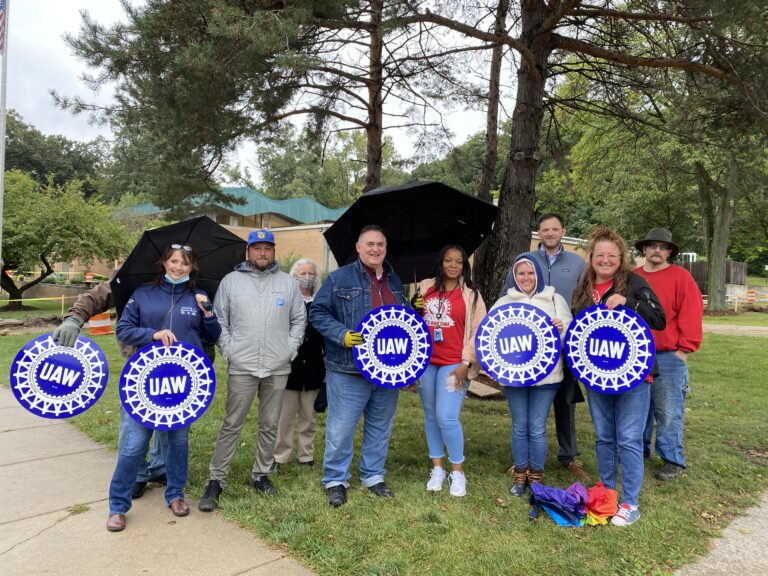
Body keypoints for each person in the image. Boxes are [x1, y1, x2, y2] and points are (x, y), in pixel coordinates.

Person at [107, 244, 221, 532]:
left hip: (183, 382)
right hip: (145, 380)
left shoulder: (199, 296)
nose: (178, 267)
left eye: (185, 263)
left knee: (178, 442)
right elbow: (123, 329)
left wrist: (207, 314)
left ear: (191, 267)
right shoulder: (143, 294)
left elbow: (213, 335)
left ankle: (175, 494)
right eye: (174, 261)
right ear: (164, 263)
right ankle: (118, 506)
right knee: (134, 444)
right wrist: (152, 334)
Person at [198, 229, 306, 511]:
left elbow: (299, 321)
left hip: (277, 366)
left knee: (270, 424)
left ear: (273, 251)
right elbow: (220, 320)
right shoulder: (231, 282)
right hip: (242, 365)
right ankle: (216, 480)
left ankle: (261, 475)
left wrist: (289, 350)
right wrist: (230, 350)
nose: (262, 253)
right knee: (232, 423)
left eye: (267, 248)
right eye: (256, 248)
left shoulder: (287, 283)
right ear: (248, 251)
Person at [571, 226, 665, 526]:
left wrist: (630, 302)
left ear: (620, 257)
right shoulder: (584, 286)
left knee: (628, 438)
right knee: (604, 437)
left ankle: (631, 503)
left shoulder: (635, 283)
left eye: (611, 255)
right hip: (597, 376)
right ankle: (608, 492)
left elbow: (658, 318)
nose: (605, 260)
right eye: (600, 255)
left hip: (634, 377)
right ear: (592, 257)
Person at [309, 225, 406, 508]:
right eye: (370, 244)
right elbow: (317, 312)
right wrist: (342, 335)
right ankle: (336, 480)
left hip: (389, 370)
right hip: (348, 368)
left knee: (380, 425)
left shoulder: (396, 280)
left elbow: (399, 320)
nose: (376, 249)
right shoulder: (339, 278)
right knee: (341, 427)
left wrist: (415, 310)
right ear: (359, 247)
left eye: (381, 244)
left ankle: (373, 476)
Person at [53, 279, 168, 499]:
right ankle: (136, 474)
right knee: (133, 422)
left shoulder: (190, 278)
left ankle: (161, 467)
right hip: (139, 361)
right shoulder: (133, 272)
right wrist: (75, 318)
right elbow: (97, 295)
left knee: (168, 418)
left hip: (176, 364)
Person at [501, 213, 588, 482]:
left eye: (554, 229)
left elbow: (584, 296)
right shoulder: (525, 260)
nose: (549, 233)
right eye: (544, 229)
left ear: (563, 231)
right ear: (539, 233)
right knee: (525, 419)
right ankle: (522, 463)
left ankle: (568, 455)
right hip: (523, 353)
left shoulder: (577, 262)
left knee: (565, 402)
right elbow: (506, 303)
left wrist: (566, 330)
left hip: (560, 347)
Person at [495, 254, 572, 497]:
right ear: (514, 276)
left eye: (530, 273)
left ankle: (536, 474)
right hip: (514, 377)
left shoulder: (554, 298)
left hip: (546, 377)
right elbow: (491, 337)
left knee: (537, 426)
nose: (526, 278)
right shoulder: (504, 302)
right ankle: (520, 475)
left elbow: (570, 336)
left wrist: (560, 329)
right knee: (520, 426)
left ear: (538, 274)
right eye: (521, 273)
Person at [415, 245, 487, 497]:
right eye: (448, 260)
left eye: (459, 261)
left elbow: (480, 332)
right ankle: (437, 469)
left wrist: (465, 364)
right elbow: (411, 322)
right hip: (426, 362)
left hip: (454, 364)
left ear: (464, 266)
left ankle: (458, 472)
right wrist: (414, 306)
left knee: (446, 416)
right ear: (441, 262)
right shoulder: (424, 287)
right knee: (431, 416)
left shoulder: (472, 295)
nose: (453, 265)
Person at [635, 228, 703, 481]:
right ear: (644, 249)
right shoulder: (633, 277)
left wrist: (684, 349)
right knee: (638, 407)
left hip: (668, 355)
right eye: (652, 245)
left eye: (662, 247)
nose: (657, 250)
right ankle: (638, 450)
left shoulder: (680, 277)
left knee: (668, 410)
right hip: (638, 354)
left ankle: (672, 459)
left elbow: (691, 312)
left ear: (669, 252)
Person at [273, 258, 325, 470]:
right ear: (293, 277)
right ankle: (280, 456)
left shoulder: (321, 303)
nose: (306, 277)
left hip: (313, 369)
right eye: (301, 274)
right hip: (288, 369)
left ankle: (306, 456)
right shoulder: (285, 301)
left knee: (309, 417)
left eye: (310, 273)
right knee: (284, 417)